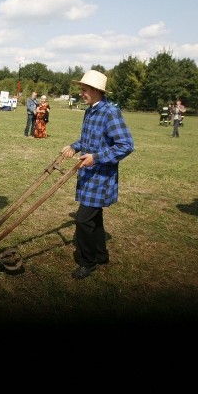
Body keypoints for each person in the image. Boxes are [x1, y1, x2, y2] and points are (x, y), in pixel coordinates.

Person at [62, 70, 134, 279]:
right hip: (88, 175)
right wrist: (74, 147)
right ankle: (101, 255)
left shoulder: (110, 112)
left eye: (84, 90)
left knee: (83, 220)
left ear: (96, 91)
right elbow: (88, 140)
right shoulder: (90, 111)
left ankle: (88, 261)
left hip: (101, 177)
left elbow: (126, 145)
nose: (81, 93)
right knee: (95, 219)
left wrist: (97, 157)